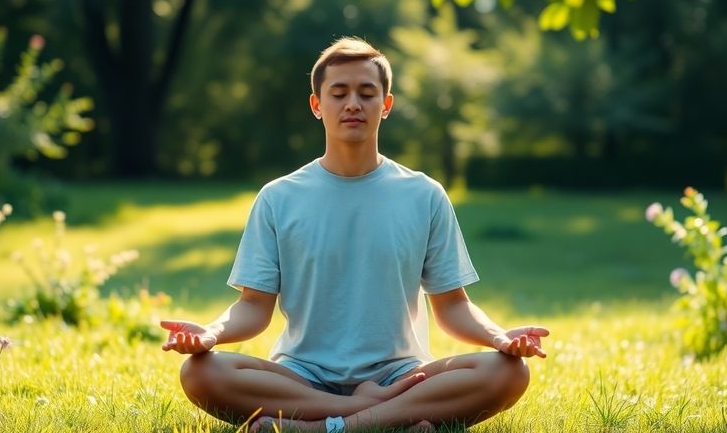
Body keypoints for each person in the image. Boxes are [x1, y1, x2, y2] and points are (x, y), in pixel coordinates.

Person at [160, 37, 549, 432]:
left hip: (401, 378)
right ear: (317, 105)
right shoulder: (278, 197)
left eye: (366, 93)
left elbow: (452, 306)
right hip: (301, 377)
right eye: (339, 93)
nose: (352, 104)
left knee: (508, 373)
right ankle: (381, 420)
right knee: (200, 373)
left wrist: (500, 338)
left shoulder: (424, 195)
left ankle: (323, 428)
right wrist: (211, 333)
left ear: (386, 105)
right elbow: (254, 307)